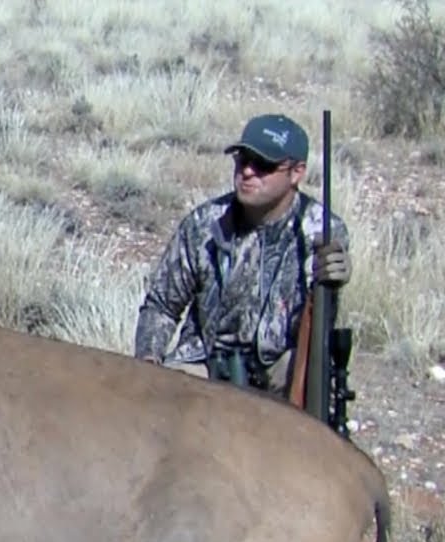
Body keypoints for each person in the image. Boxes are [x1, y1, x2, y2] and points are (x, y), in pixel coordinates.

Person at [133, 113, 352, 399]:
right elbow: (161, 305)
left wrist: (334, 281)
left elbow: (317, 325)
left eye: (263, 165)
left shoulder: (322, 231)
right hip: (205, 364)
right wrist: (148, 365)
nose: (247, 172)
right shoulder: (203, 224)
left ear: (296, 172)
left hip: (279, 372)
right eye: (242, 160)